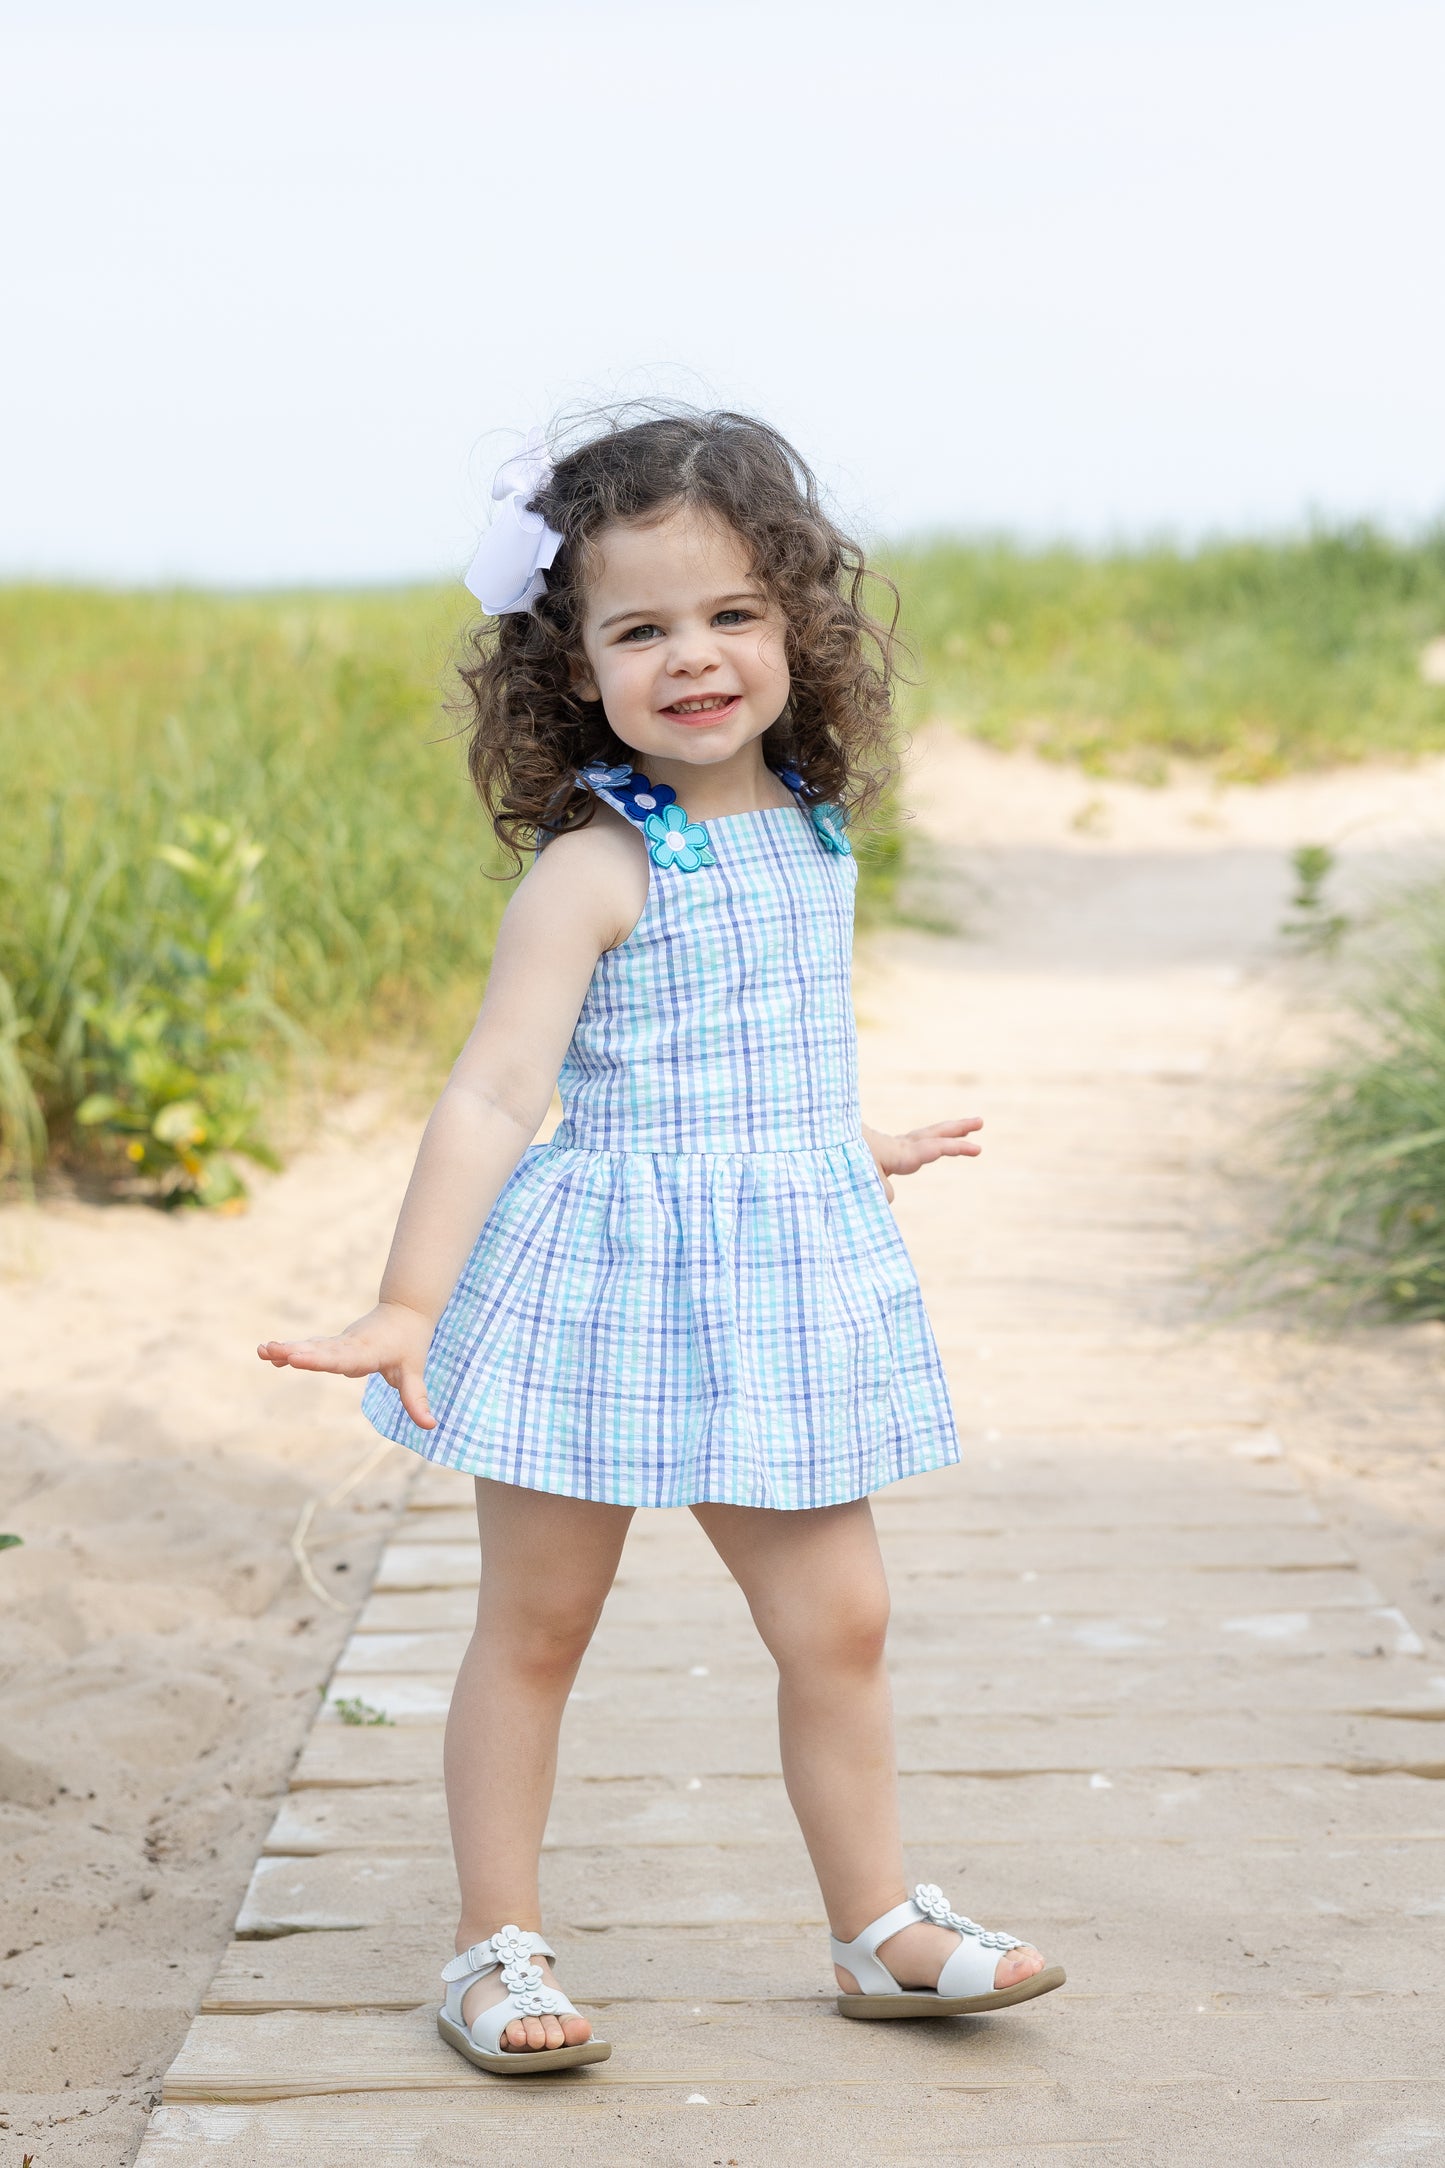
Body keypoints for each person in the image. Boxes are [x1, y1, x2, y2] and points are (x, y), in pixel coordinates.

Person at [258, 410, 1063, 2074]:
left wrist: (842, 1144)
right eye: (638, 630)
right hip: (596, 1287)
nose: (691, 656)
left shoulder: (816, 832)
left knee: (839, 1622)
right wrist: (410, 1301)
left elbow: (740, 1051)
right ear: (573, 670)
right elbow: (496, 1092)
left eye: (729, 615)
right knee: (537, 1624)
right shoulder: (597, 864)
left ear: (798, 629)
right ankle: (493, 1945)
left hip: (775, 1284)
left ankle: (880, 1926)